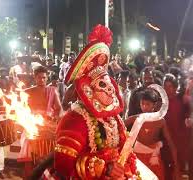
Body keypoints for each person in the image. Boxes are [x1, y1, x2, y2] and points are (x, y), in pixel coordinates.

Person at [42, 24, 140, 179]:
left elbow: (123, 147)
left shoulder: (113, 117)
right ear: (88, 89)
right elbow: (64, 166)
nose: (109, 89)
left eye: (109, 83)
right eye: (102, 85)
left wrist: (124, 165)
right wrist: (104, 168)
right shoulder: (74, 119)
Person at [125, 88, 180, 180]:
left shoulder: (161, 121)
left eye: (148, 104)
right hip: (138, 157)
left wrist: (176, 164)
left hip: (153, 157)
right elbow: (120, 125)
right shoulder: (135, 118)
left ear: (154, 105)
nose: (145, 107)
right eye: (142, 104)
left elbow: (170, 143)